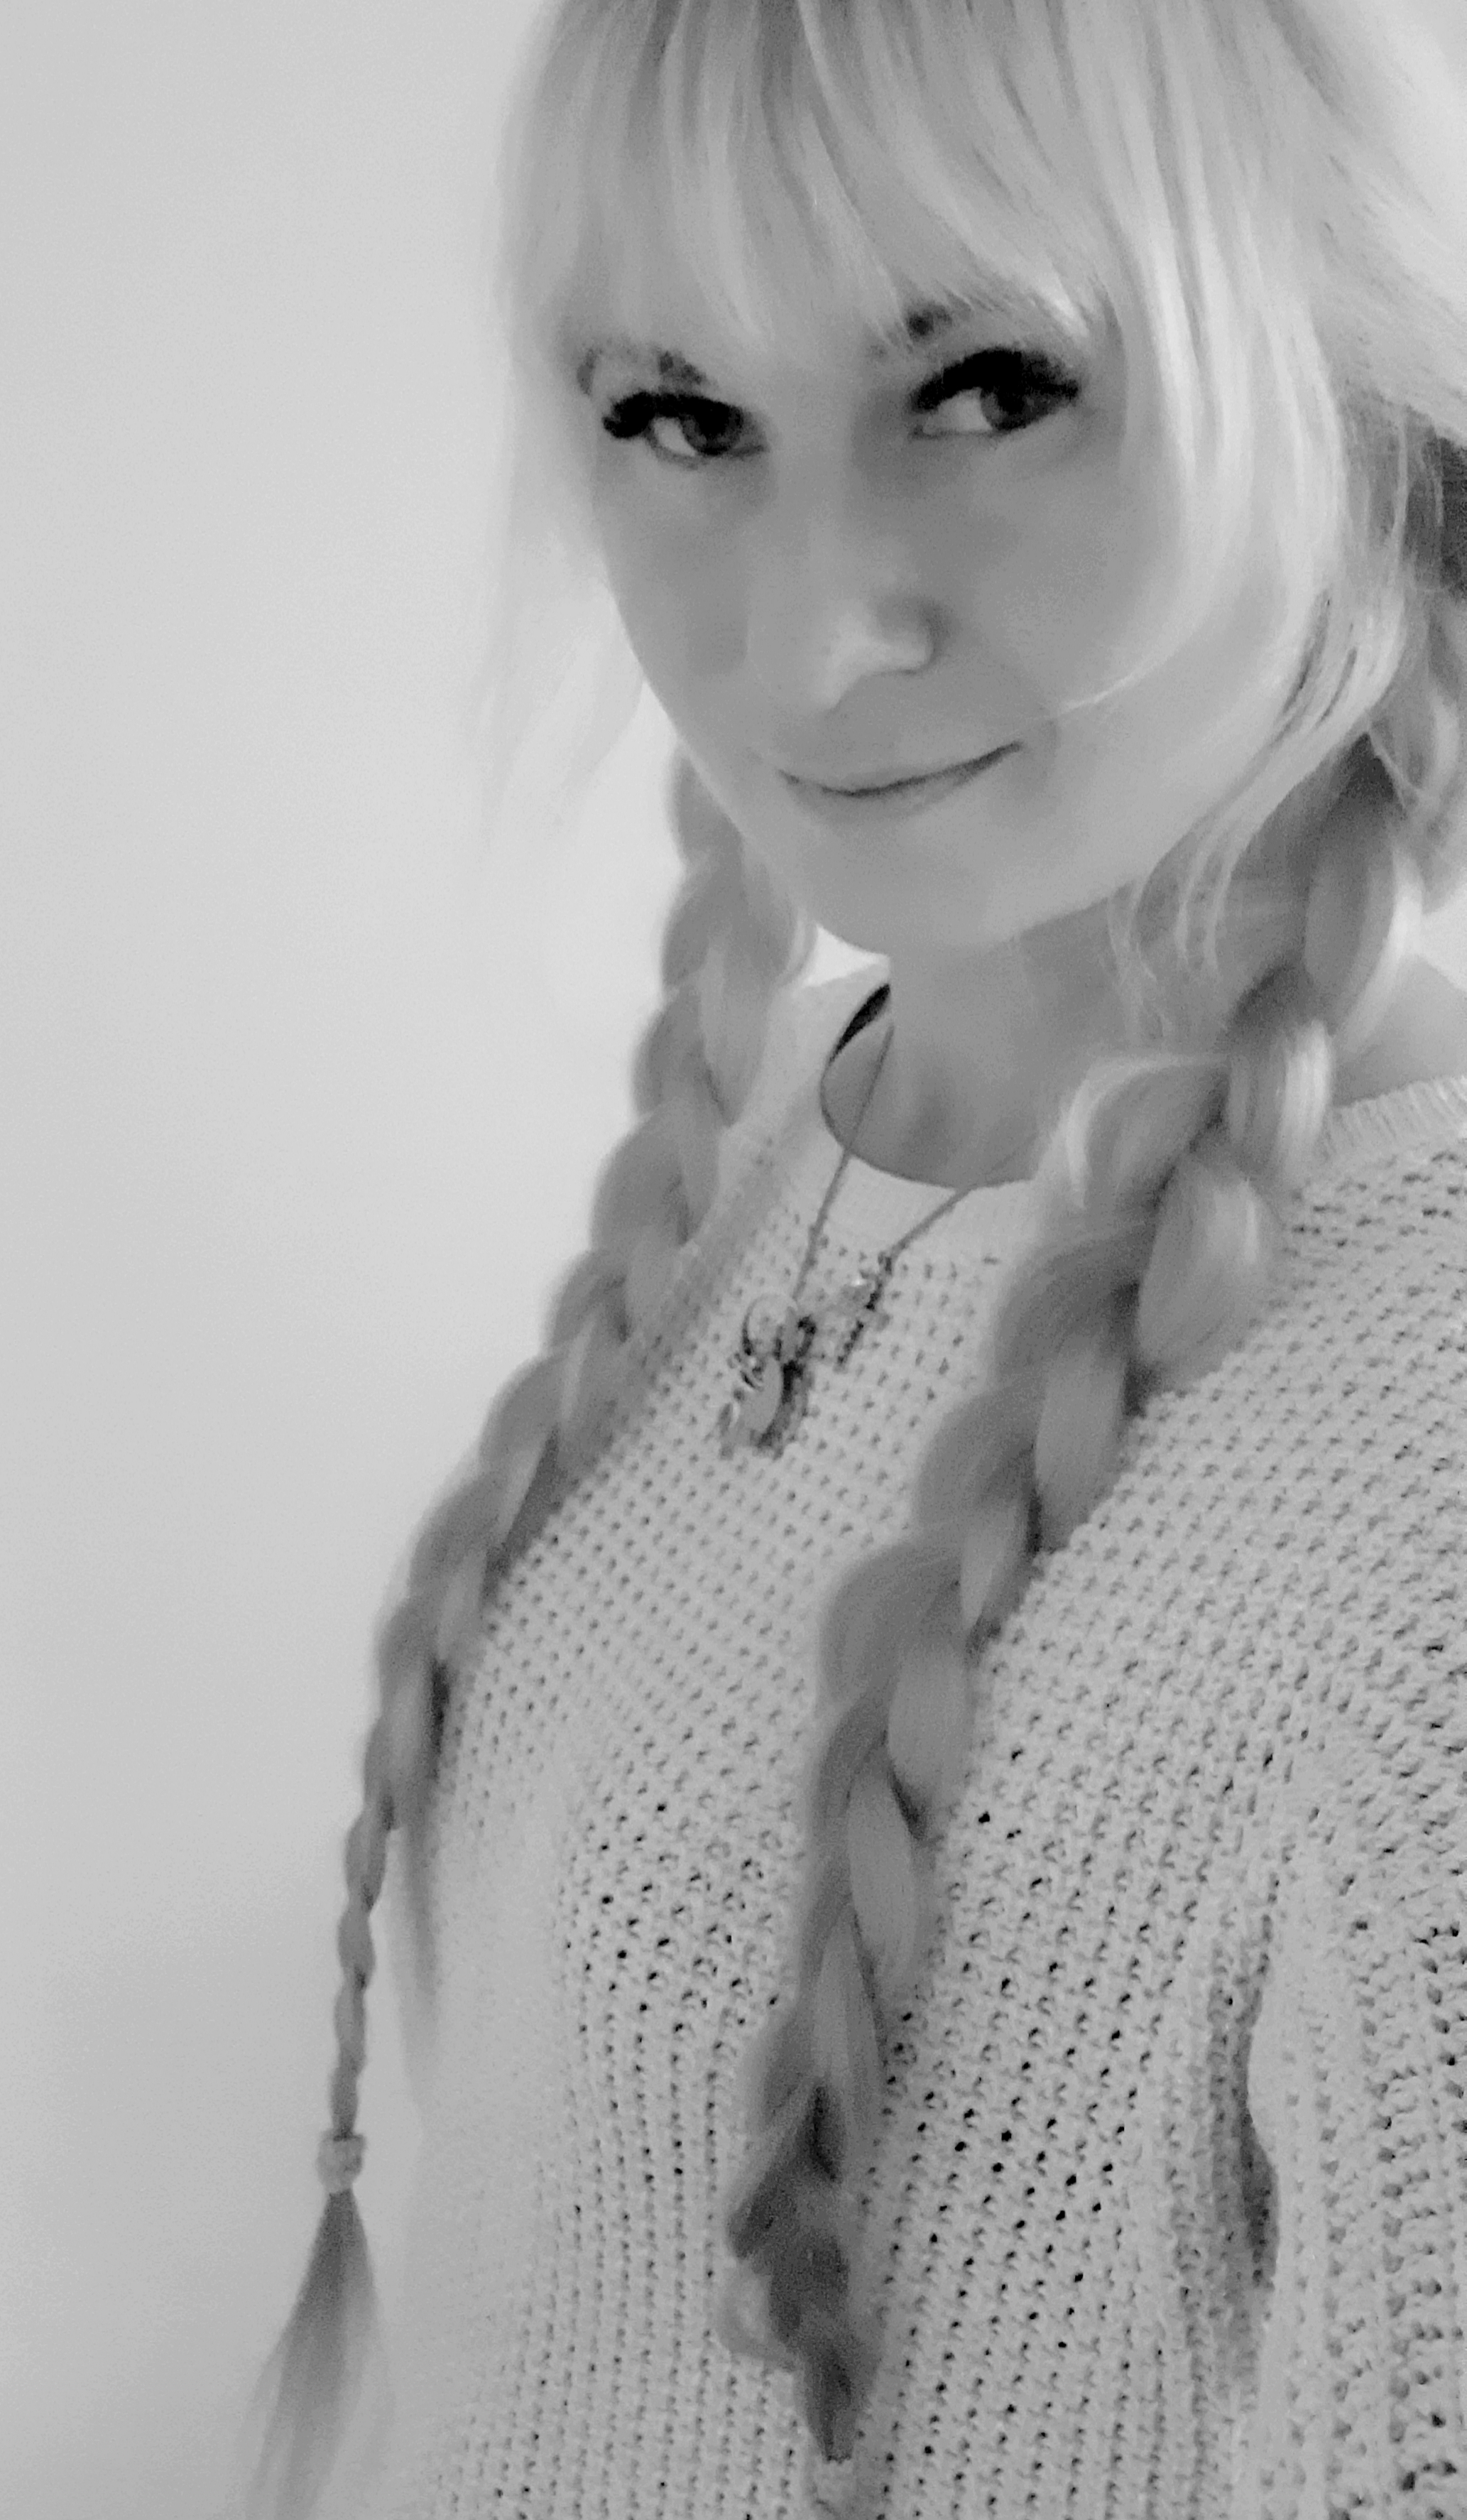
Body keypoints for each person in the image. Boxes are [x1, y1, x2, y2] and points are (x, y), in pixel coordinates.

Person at [233, 3, 1467, 2514]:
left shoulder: (1415, 1465)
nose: (802, 648)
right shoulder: (782, 1132)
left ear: (1348, 393)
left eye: (990, 386)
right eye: (678, 415)